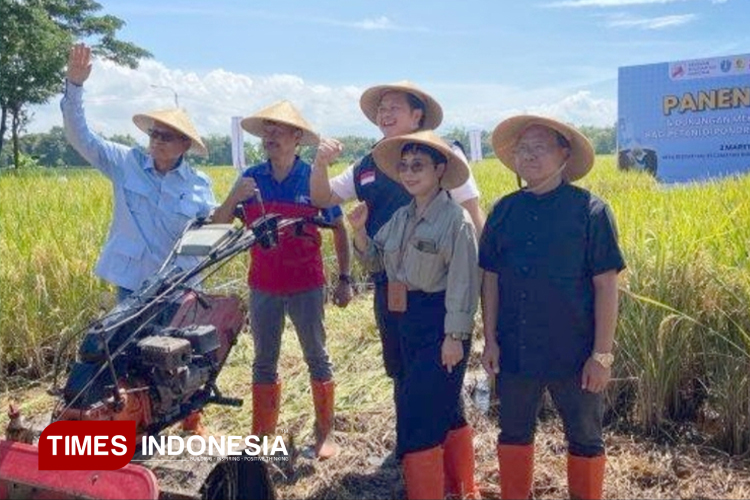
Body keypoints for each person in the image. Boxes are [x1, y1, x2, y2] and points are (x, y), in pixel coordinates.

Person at [479, 115, 626, 500]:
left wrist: (602, 355)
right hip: (516, 346)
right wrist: (490, 339)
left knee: (585, 438)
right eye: (522, 148)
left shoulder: (591, 211)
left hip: (575, 351)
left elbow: (607, 285)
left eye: (539, 147)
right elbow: (490, 278)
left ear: (564, 154)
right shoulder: (503, 211)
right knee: (513, 433)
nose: (528, 155)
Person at [310, 80, 485, 387]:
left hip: (437, 291)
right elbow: (322, 198)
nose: (385, 114)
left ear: (417, 116)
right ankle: (413, 432)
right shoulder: (367, 163)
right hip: (388, 285)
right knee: (400, 371)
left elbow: (472, 212)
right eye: (381, 108)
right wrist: (321, 162)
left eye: (394, 108)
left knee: (441, 380)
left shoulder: (444, 155)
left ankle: (444, 435)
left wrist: (485, 281)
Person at [212, 100, 351, 459]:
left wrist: (345, 279)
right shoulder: (251, 179)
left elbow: (339, 227)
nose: (270, 136)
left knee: (316, 356)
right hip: (263, 285)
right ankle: (261, 438)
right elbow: (219, 225)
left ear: (297, 138)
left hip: (307, 283)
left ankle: (324, 435)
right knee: (263, 360)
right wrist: (233, 197)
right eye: (266, 131)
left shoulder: (313, 178)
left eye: (279, 130)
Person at [349, 130, 480, 500]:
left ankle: (439, 491)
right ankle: (460, 489)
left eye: (418, 165)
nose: (409, 173)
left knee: (418, 416)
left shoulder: (455, 220)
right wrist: (359, 232)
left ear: (440, 170)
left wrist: (454, 337)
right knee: (441, 406)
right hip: (405, 319)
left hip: (439, 321)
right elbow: (375, 259)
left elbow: (463, 284)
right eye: (404, 166)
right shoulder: (402, 217)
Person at [61, 43, 217, 302]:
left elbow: (211, 231)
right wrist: (74, 87)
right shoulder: (125, 163)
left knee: (176, 344)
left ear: (184, 145)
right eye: (153, 134)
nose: (156, 141)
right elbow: (80, 137)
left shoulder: (199, 185)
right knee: (130, 344)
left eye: (166, 137)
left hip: (180, 288)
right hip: (133, 285)